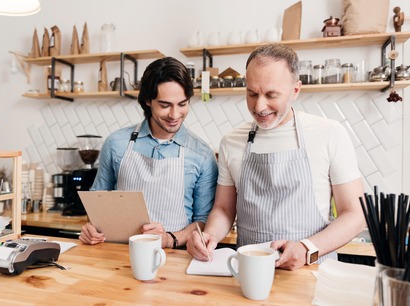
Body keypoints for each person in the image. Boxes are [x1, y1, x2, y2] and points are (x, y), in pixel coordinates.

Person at [187, 44, 365, 270]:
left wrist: (306, 248)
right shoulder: (231, 141)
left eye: (271, 95)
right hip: (249, 273)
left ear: (295, 90)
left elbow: (356, 215)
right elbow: (223, 208)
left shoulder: (329, 134)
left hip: (312, 272)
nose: (259, 106)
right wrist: (209, 235)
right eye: (252, 94)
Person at [79, 57, 218, 249]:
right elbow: (97, 200)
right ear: (147, 101)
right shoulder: (116, 143)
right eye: (165, 105)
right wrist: (91, 228)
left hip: (173, 257)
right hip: (117, 252)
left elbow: (204, 220)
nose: (175, 115)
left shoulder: (201, 154)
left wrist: (169, 239)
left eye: (182, 104)